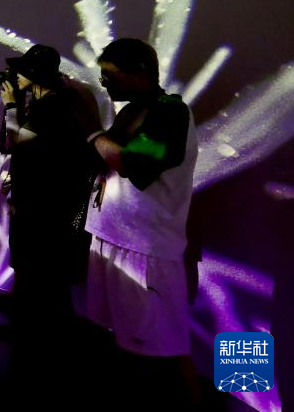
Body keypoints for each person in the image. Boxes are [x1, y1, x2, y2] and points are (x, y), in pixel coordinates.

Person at [85, 38, 201, 403]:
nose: (105, 83)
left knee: (158, 347)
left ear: (139, 70)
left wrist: (92, 132)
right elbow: (103, 157)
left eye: (111, 74)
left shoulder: (171, 112)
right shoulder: (132, 110)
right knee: (127, 338)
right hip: (112, 237)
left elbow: (134, 163)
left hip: (144, 249)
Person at [0, 44, 103, 335]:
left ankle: (33, 329)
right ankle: (34, 320)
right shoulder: (49, 101)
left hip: (44, 201)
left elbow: (17, 142)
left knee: (38, 263)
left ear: (35, 73)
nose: (15, 76)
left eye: (21, 71)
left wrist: (10, 106)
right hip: (46, 197)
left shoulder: (52, 106)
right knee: (37, 263)